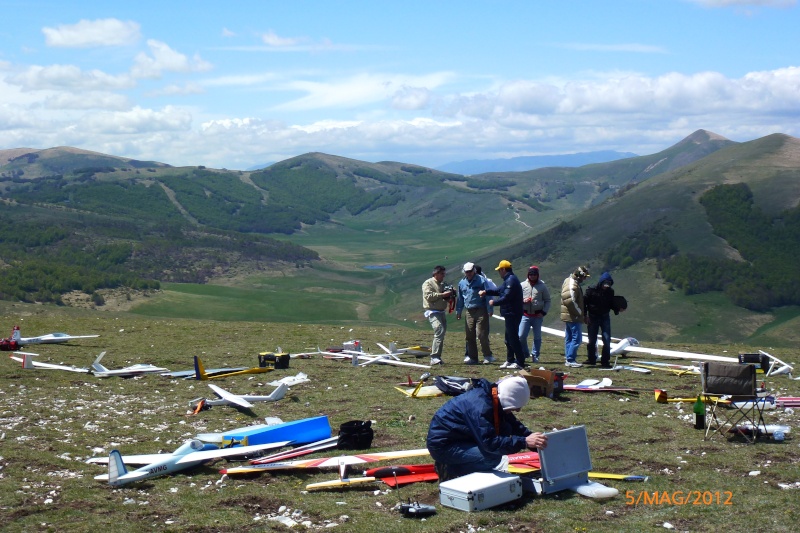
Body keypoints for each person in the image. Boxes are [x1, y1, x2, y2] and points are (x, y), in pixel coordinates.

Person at [426, 375, 548, 481]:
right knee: (493, 457)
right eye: (516, 406)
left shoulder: (493, 397)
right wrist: (524, 442)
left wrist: (535, 442)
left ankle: (455, 465)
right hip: (444, 447)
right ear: (507, 399)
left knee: (505, 430)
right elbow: (490, 444)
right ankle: (449, 470)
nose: (517, 410)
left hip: (462, 438)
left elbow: (513, 424)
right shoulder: (480, 407)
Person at [480, 260, 525, 370]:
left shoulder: (511, 280)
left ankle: (520, 361)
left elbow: (507, 296)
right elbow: (498, 290)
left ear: (503, 270)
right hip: (509, 314)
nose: (499, 272)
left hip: (513, 313)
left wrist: (494, 303)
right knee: (508, 339)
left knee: (513, 338)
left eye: (499, 270)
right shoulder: (507, 280)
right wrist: (486, 292)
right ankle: (510, 360)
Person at [583, 271, 625, 368]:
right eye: (605, 283)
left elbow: (611, 304)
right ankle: (591, 359)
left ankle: (605, 361)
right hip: (592, 317)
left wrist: (618, 309)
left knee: (606, 339)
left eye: (608, 284)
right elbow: (584, 303)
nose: (606, 286)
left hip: (605, 317)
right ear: (601, 282)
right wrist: (585, 315)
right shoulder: (591, 290)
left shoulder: (610, 292)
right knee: (592, 340)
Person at [456, 262, 494, 365]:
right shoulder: (462, 283)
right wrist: (459, 311)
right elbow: (460, 298)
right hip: (469, 311)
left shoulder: (481, 280)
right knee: (469, 335)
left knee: (481, 334)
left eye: (470, 271)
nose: (468, 274)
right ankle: (473, 358)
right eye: (467, 272)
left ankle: (487, 355)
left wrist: (490, 308)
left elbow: (488, 294)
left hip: (481, 309)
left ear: (474, 271)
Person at [422, 265, 456, 365]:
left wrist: (451, 294)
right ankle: (434, 357)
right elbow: (428, 296)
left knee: (441, 333)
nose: (443, 276)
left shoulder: (443, 284)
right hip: (432, 311)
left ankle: (438, 357)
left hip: (441, 311)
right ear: (436, 274)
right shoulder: (428, 283)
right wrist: (443, 295)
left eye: (444, 274)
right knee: (439, 330)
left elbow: (446, 296)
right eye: (441, 274)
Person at [519, 266, 551, 364]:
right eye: (530, 274)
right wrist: (523, 301)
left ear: (537, 275)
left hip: (537, 316)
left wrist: (543, 312)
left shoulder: (542, 286)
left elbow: (547, 300)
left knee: (537, 336)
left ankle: (535, 355)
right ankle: (525, 352)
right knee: (521, 336)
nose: (532, 276)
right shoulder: (522, 285)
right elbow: (516, 299)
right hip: (525, 315)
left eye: (534, 275)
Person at [560, 265, 590, 368]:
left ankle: (569, 358)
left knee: (569, 337)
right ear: (580, 275)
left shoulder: (569, 281)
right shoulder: (572, 284)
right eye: (584, 276)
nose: (585, 279)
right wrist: (579, 312)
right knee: (577, 339)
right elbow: (570, 301)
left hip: (569, 315)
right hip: (573, 316)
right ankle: (570, 359)